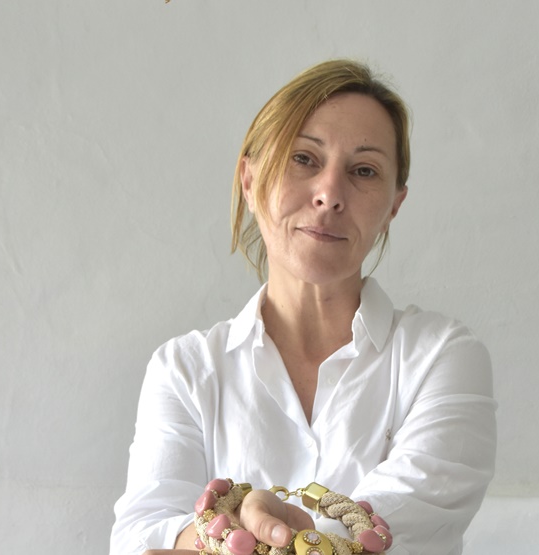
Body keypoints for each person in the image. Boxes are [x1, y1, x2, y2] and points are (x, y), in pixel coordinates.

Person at [110, 59, 497, 555]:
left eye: (363, 171)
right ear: (250, 181)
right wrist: (233, 528)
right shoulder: (184, 370)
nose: (330, 194)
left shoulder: (442, 357)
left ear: (393, 206)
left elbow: (399, 523)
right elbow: (141, 538)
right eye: (304, 159)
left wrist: (243, 534)